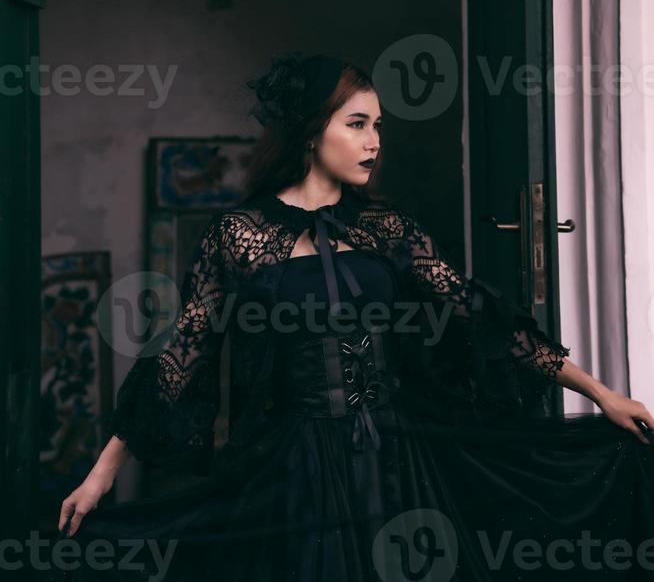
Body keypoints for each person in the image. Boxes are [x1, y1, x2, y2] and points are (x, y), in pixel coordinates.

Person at [53, 53, 654, 582]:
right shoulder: (237, 235)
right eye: (358, 124)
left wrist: (601, 394)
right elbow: (184, 357)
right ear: (313, 132)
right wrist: (102, 473)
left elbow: (475, 316)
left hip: (399, 453)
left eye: (378, 127)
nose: (375, 142)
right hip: (296, 460)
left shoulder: (387, 230)